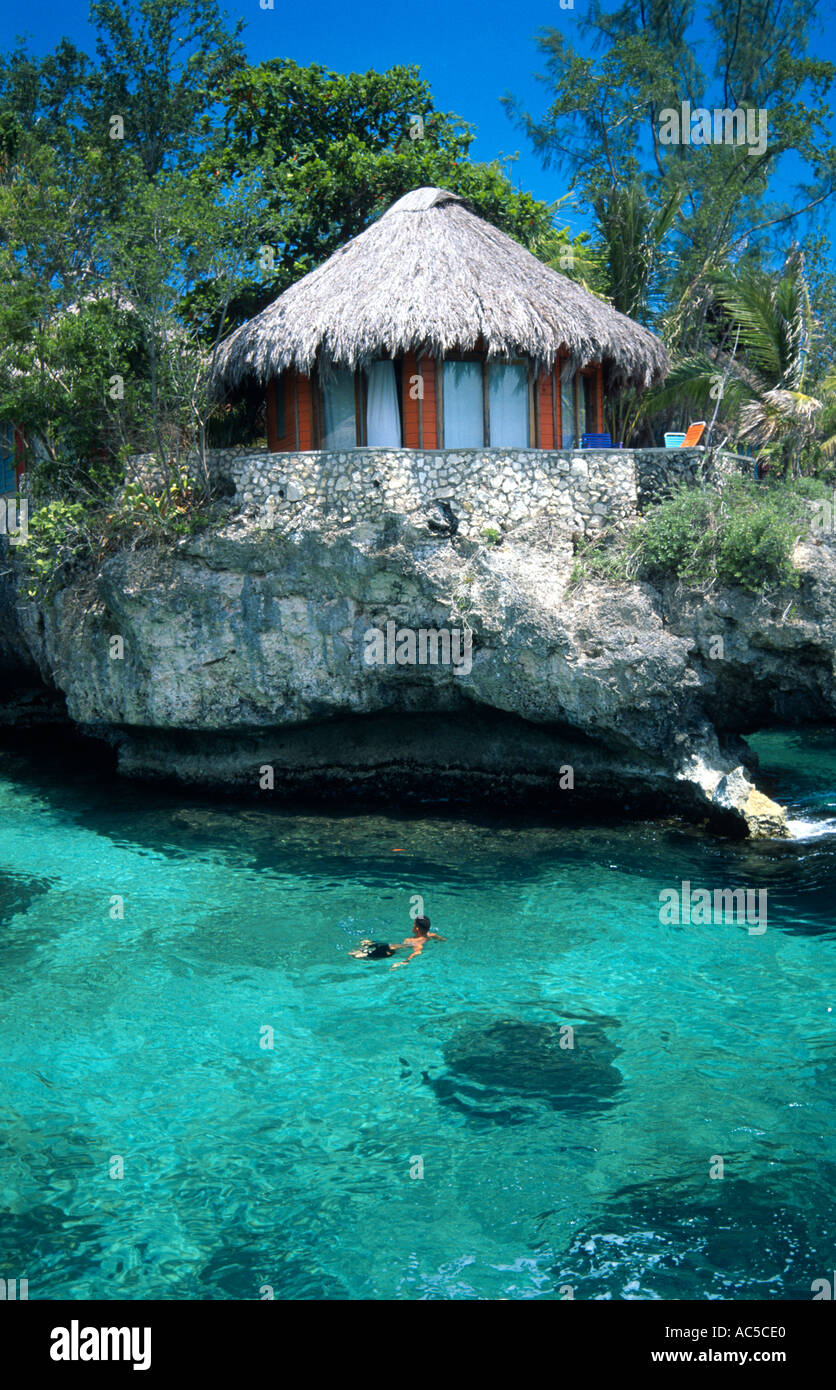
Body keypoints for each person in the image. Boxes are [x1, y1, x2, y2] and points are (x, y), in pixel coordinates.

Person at [349, 915, 445, 968]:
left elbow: (418, 951)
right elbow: (439, 938)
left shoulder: (415, 942)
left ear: (417, 929)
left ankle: (361, 951)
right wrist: (442, 940)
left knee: (355, 955)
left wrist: (403, 962)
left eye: (413, 924)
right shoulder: (430, 935)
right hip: (389, 947)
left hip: (388, 951)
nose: (412, 926)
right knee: (366, 945)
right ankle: (367, 945)